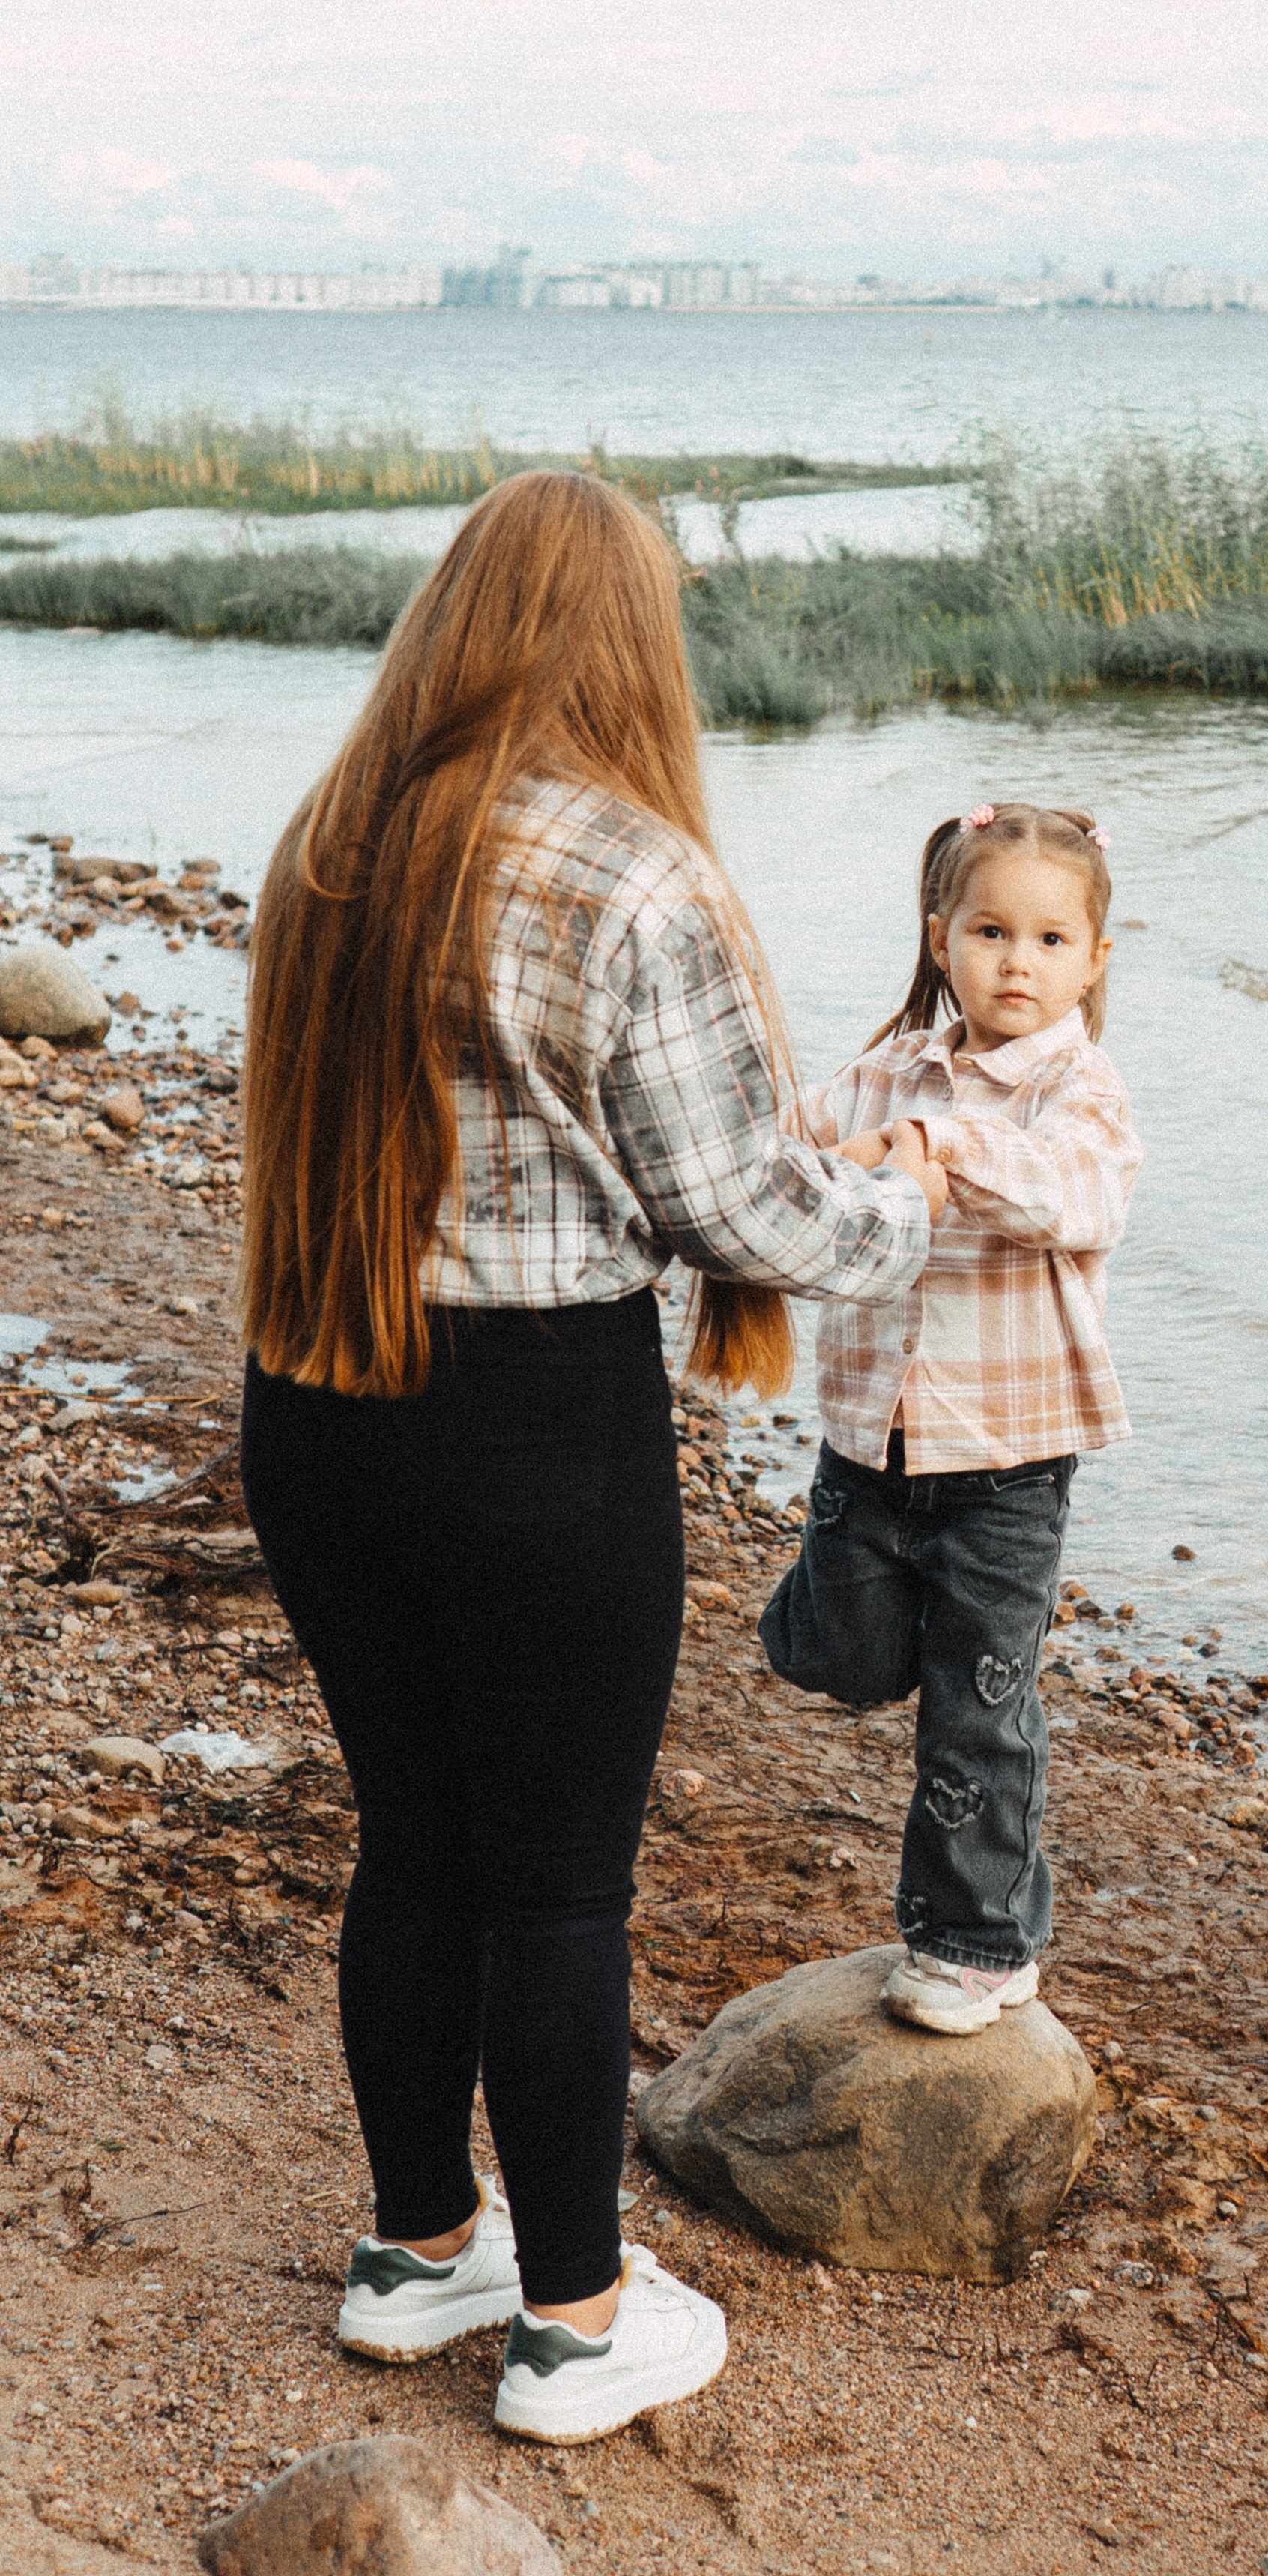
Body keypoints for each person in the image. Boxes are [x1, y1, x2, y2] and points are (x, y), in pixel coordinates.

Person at [238, 471, 943, 2445]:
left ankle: (414, 2253)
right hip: (533, 1422)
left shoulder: (333, 840)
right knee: (554, 1884)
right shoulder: (631, 871)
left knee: (418, 1842)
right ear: (628, 637)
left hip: (318, 1399)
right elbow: (746, 1212)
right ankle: (568, 2322)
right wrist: (911, 1200)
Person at [759, 800, 1142, 2034]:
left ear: (1092, 958)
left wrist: (936, 1148)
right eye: (990, 932)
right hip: (869, 1443)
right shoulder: (885, 1069)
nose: (1015, 962)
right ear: (941, 940)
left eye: (1047, 940)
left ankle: (976, 1946)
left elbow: (1077, 1197)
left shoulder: (1079, 1093)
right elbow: (787, 1152)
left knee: (977, 1712)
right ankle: (820, 1613)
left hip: (1008, 1463)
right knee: (847, 1658)